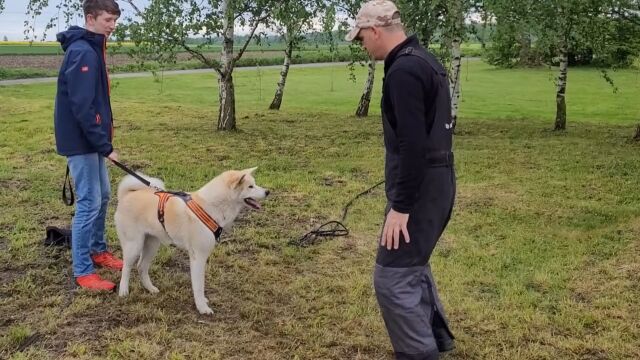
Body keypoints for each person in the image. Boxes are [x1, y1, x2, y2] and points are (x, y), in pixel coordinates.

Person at [345, 1, 457, 359]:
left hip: (420, 190)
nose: (362, 46)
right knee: (411, 266)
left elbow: (413, 145)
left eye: (361, 39)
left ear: (375, 31)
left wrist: (401, 207)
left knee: (392, 279)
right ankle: (436, 340)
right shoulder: (425, 60)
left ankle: (419, 353)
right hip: (438, 183)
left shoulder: (404, 71)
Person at [54, 0, 123, 291]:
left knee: (103, 195)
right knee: (89, 203)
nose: (112, 25)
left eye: (115, 20)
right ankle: (83, 271)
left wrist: (103, 140)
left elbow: (94, 102)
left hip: (92, 139)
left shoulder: (92, 48)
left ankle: (98, 250)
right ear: (90, 18)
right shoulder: (82, 51)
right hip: (82, 141)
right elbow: (82, 107)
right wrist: (104, 145)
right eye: (108, 19)